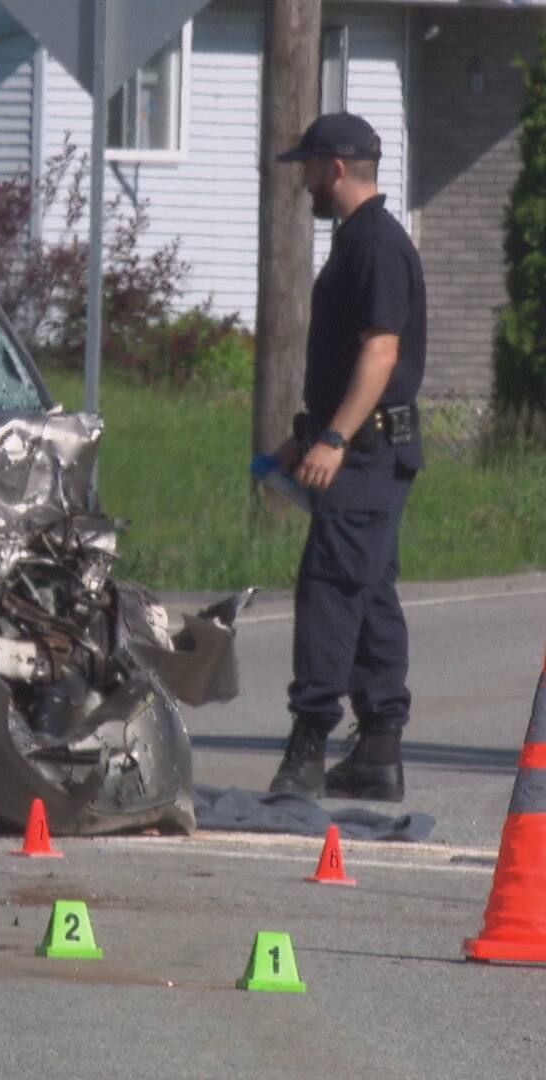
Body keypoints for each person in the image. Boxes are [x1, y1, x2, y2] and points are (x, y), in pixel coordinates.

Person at [265, 113, 425, 802]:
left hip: (365, 452)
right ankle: (379, 749)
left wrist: (335, 439)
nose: (301, 178)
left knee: (330, 587)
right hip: (364, 447)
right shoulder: (358, 240)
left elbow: (381, 349)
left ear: (334, 166)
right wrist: (310, 433)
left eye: (306, 165)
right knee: (369, 589)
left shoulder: (376, 245)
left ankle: (309, 746)